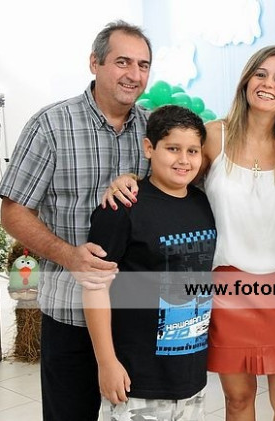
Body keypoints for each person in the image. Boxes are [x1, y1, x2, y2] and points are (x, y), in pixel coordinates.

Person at [102, 45, 275, 421]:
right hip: (226, 287)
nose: (268, 84)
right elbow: (170, 176)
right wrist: (127, 179)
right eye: (261, 74)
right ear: (246, 79)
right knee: (238, 400)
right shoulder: (214, 136)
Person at [0, 20, 152, 421]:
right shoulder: (50, 125)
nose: (134, 74)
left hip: (135, 319)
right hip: (70, 315)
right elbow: (13, 212)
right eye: (122, 62)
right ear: (94, 63)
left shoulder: (153, 131)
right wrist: (70, 256)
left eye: (143, 65)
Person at [84, 105, 215, 421]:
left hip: (190, 376)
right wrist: (107, 362)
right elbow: (94, 288)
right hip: (136, 378)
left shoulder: (203, 202)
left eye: (192, 151)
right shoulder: (122, 207)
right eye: (172, 148)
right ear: (149, 148)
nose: (184, 160)